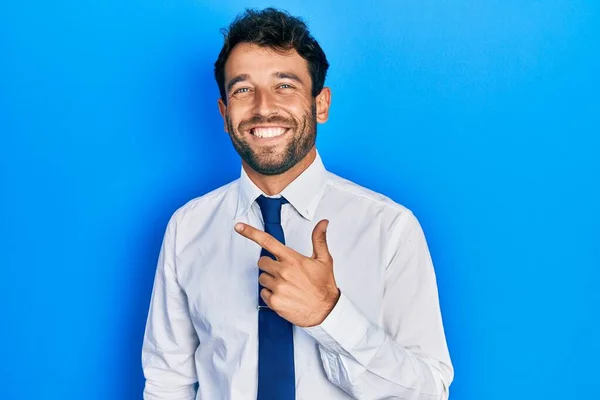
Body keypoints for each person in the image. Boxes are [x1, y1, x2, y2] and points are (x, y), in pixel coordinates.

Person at [142, 7, 453, 400]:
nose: (262, 107)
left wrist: (329, 314)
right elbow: (168, 382)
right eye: (242, 89)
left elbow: (429, 392)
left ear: (320, 104)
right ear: (224, 114)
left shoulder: (390, 228)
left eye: (284, 85)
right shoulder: (188, 227)